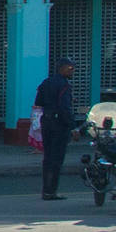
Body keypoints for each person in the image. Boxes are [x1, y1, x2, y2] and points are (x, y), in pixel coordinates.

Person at [34, 59, 77, 201]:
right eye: (70, 68)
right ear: (62, 68)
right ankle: (51, 191)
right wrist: (73, 126)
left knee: (47, 158)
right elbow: (65, 107)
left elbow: (38, 102)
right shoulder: (64, 84)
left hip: (46, 121)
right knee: (57, 159)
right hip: (59, 123)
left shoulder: (46, 82)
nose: (72, 71)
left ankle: (46, 190)